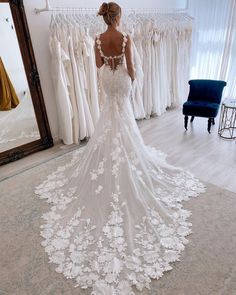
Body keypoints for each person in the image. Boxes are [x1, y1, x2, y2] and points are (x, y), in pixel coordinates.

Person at [35, 2, 205, 294]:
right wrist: (132, 78)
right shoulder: (126, 37)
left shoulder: (97, 39)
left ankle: (108, 151)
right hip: (122, 81)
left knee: (109, 116)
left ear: (104, 18)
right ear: (119, 17)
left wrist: (109, 65)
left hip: (107, 80)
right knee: (123, 116)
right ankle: (128, 151)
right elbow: (132, 68)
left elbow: (99, 65)